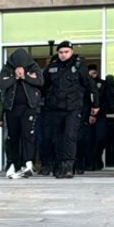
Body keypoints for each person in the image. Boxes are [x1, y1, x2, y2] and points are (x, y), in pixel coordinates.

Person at [41, 41, 96, 179]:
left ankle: (68, 166)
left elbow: (91, 87)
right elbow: (43, 87)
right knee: (57, 138)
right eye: (60, 52)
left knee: (70, 137)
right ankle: (59, 166)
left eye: (66, 52)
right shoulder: (51, 68)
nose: (63, 55)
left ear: (71, 52)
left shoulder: (79, 68)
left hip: (73, 108)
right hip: (55, 109)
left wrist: (96, 105)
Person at [0, 48, 43, 178]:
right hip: (11, 108)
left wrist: (25, 76)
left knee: (28, 136)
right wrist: (15, 77)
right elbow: (1, 83)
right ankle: (14, 164)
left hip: (29, 107)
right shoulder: (7, 68)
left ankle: (28, 163)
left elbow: (40, 81)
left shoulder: (33, 67)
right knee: (13, 137)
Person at [74, 64, 103, 174]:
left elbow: (93, 96)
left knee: (84, 140)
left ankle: (84, 163)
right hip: (73, 113)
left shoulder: (88, 82)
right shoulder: (72, 82)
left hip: (85, 114)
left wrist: (92, 113)